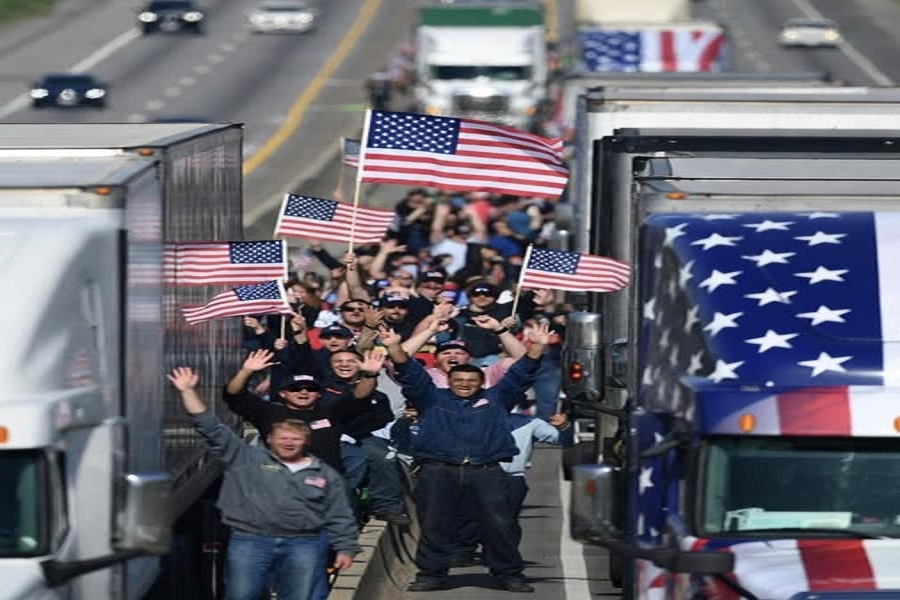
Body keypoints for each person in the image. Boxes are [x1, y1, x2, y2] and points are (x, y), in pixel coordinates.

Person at [379, 322, 553, 593]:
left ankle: (508, 574)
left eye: (471, 381)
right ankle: (432, 574)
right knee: (435, 524)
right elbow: (409, 373)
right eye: (458, 381)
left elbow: (522, 373)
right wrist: (393, 347)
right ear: (448, 381)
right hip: (438, 470)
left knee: (500, 525)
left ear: (481, 383)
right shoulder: (431, 398)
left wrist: (537, 346)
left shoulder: (498, 398)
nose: (464, 385)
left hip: (487, 471)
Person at [167, 367, 360, 600]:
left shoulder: (324, 473)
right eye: (283, 438)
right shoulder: (246, 458)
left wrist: (346, 547)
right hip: (251, 541)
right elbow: (211, 427)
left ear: (306, 441)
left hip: (304, 542)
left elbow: (341, 513)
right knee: (242, 595)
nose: (289, 443)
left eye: (295, 439)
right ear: (269, 438)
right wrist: (187, 391)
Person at [222, 348, 384, 473]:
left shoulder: (332, 412)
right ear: (282, 393)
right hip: (280, 481)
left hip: (326, 482)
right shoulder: (267, 412)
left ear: (319, 394)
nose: (303, 392)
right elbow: (234, 394)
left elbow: (359, 397)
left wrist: (370, 375)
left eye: (310, 388)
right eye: (295, 389)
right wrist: (246, 371)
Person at [451, 412, 574, 567]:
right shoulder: (466, 417)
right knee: (469, 514)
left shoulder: (530, 422)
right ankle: (462, 552)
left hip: (511, 476)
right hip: (476, 473)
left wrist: (564, 427)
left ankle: (498, 555)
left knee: (506, 519)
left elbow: (564, 441)